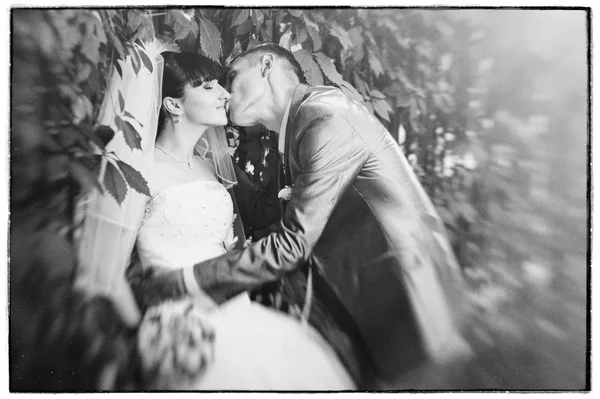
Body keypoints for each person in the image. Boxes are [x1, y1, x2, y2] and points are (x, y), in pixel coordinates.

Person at [138, 44, 472, 389]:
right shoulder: (302, 123)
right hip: (368, 304)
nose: (225, 91)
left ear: (266, 65)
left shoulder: (324, 118)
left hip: (405, 302)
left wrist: (185, 282)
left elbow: (293, 242)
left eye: (232, 76)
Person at [130, 51, 355, 390]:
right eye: (208, 87)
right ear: (174, 105)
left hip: (235, 310)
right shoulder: (139, 173)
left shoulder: (212, 167)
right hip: (177, 327)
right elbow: (108, 270)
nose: (225, 93)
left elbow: (253, 214)